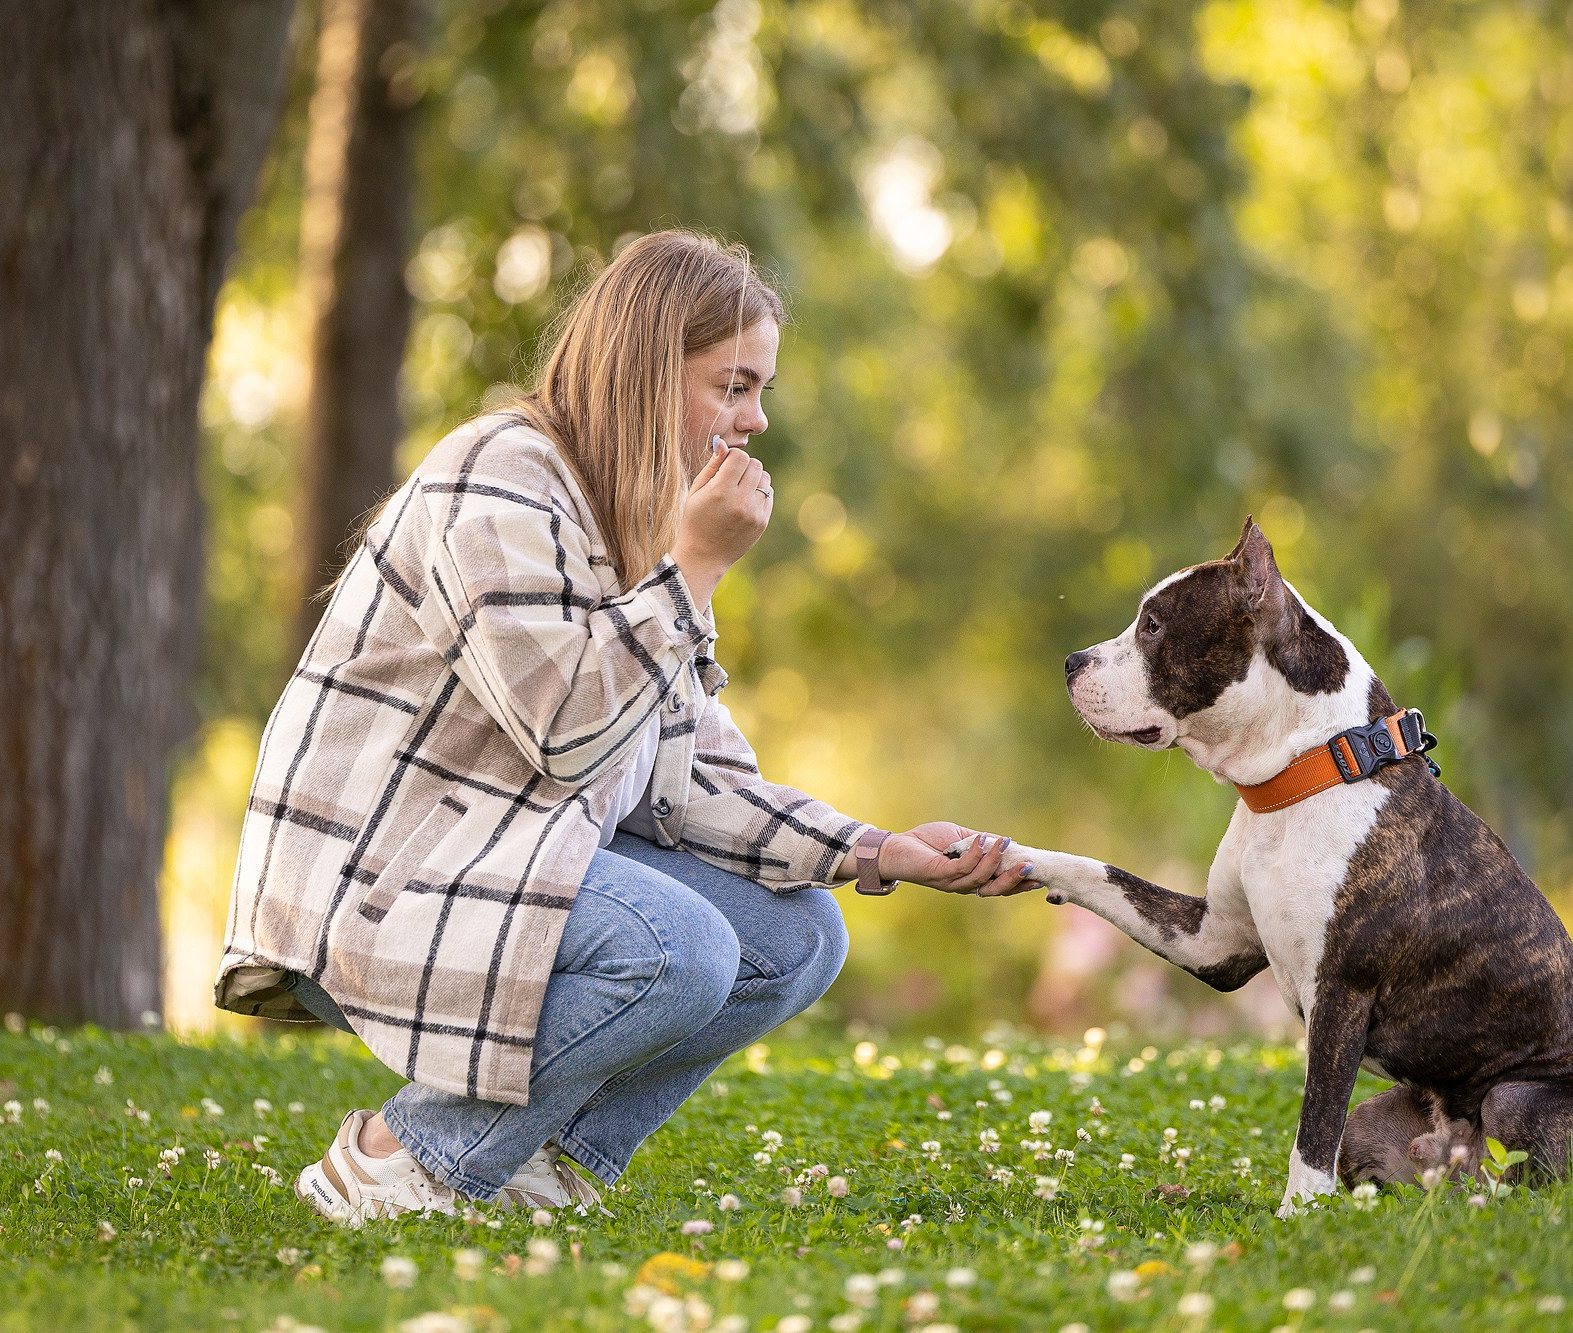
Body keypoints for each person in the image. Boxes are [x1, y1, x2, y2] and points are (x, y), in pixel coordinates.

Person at [215, 230, 1036, 1223]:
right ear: (650, 370)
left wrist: (877, 849)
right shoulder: (497, 477)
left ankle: (527, 1163)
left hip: (496, 867)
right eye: (733, 386)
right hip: (381, 881)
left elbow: (691, 784)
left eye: (759, 389)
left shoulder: (638, 520)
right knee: (676, 945)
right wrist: (692, 574)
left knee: (796, 936)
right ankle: (400, 1153)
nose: (756, 419)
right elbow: (562, 731)